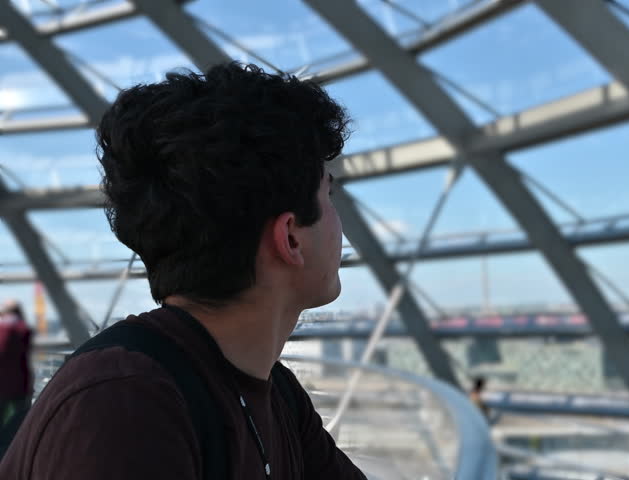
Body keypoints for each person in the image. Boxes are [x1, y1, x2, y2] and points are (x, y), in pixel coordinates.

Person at [0, 63, 366, 479]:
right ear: (291, 239)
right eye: (328, 194)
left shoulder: (273, 391)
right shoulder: (125, 406)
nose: (339, 222)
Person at [0, 301, 32, 426]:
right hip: (20, 383)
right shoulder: (24, 330)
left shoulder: (2, 330)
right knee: (20, 421)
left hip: (2, 383)